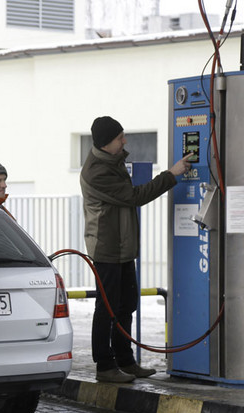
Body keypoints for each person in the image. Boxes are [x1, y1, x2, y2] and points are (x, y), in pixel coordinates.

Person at [81, 116, 192, 383]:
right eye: (120, 137)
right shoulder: (97, 171)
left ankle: (125, 360)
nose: (125, 141)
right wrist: (171, 174)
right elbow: (134, 196)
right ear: (107, 143)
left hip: (123, 247)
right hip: (107, 248)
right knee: (106, 308)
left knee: (126, 304)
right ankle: (105, 366)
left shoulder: (113, 161)